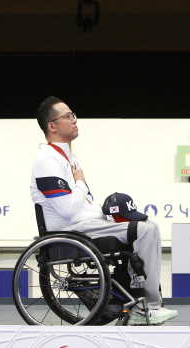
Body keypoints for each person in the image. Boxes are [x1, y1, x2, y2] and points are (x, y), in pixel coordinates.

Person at [30, 96, 178, 325]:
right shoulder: (47, 160)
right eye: (67, 116)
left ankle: (136, 300)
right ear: (52, 126)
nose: (74, 120)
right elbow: (68, 210)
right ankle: (146, 307)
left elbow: (83, 204)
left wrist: (104, 213)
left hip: (84, 225)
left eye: (73, 115)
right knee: (144, 231)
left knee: (150, 226)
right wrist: (79, 183)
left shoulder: (68, 158)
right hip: (70, 231)